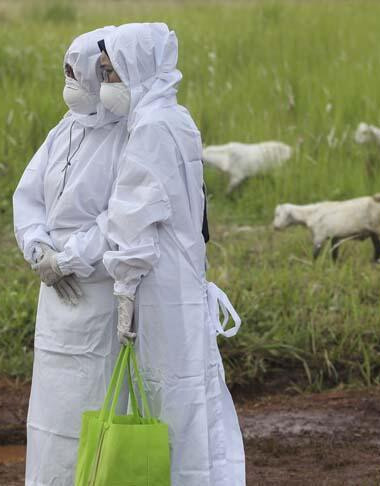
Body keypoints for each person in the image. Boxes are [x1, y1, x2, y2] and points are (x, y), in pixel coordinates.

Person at [97, 23, 246, 485]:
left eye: (112, 73)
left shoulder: (152, 128)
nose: (106, 85)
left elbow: (135, 219)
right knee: (194, 395)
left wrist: (124, 287)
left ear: (137, 68)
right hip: (184, 277)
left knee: (170, 399)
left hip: (160, 286)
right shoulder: (176, 118)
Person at [12, 26, 130, 486]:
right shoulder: (62, 130)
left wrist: (71, 258)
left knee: (94, 405)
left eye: (83, 72)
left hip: (95, 291)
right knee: (51, 414)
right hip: (53, 297)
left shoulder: (127, 135)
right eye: (71, 70)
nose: (72, 79)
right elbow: (28, 197)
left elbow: (120, 217)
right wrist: (38, 248)